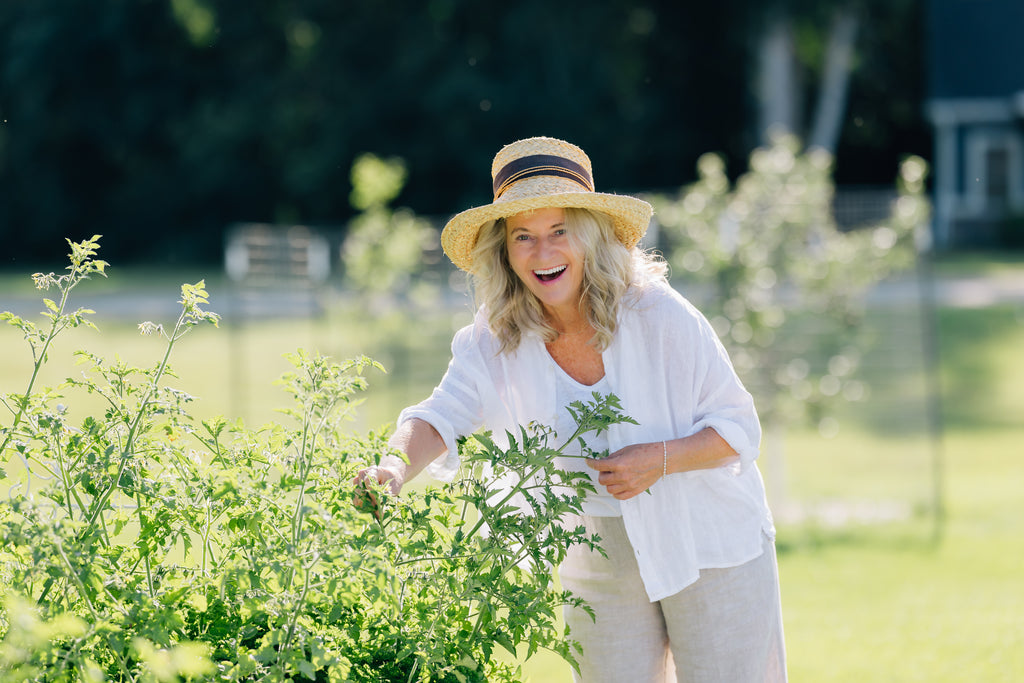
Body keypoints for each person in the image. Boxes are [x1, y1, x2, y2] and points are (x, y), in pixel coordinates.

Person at [355, 136, 786, 682]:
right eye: (524, 237)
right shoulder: (495, 336)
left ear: (590, 235)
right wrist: (391, 468)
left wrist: (660, 458)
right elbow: (442, 414)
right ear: (504, 251)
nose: (543, 252)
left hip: (709, 538)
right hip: (593, 549)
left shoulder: (659, 316)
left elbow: (739, 429)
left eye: (560, 231)